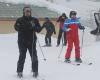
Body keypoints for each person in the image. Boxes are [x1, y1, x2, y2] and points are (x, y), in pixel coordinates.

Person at [14, 6, 41, 78]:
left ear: (30, 12)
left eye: (29, 11)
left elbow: (39, 29)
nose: (28, 12)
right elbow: (16, 28)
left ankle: (35, 71)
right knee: (22, 56)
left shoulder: (34, 20)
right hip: (22, 41)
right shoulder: (19, 20)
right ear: (23, 12)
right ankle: (19, 71)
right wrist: (25, 26)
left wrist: (34, 26)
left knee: (34, 57)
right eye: (26, 11)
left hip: (31, 42)